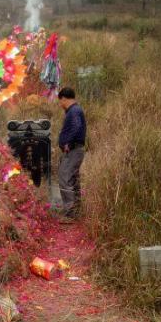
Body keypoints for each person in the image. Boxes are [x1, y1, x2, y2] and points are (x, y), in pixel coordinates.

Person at [56, 87, 86, 222]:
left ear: (63, 98)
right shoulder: (76, 110)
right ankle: (76, 210)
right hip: (76, 149)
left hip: (73, 150)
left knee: (64, 177)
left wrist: (67, 141)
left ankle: (70, 214)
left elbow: (76, 126)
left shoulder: (73, 111)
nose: (60, 104)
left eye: (60, 101)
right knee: (73, 179)